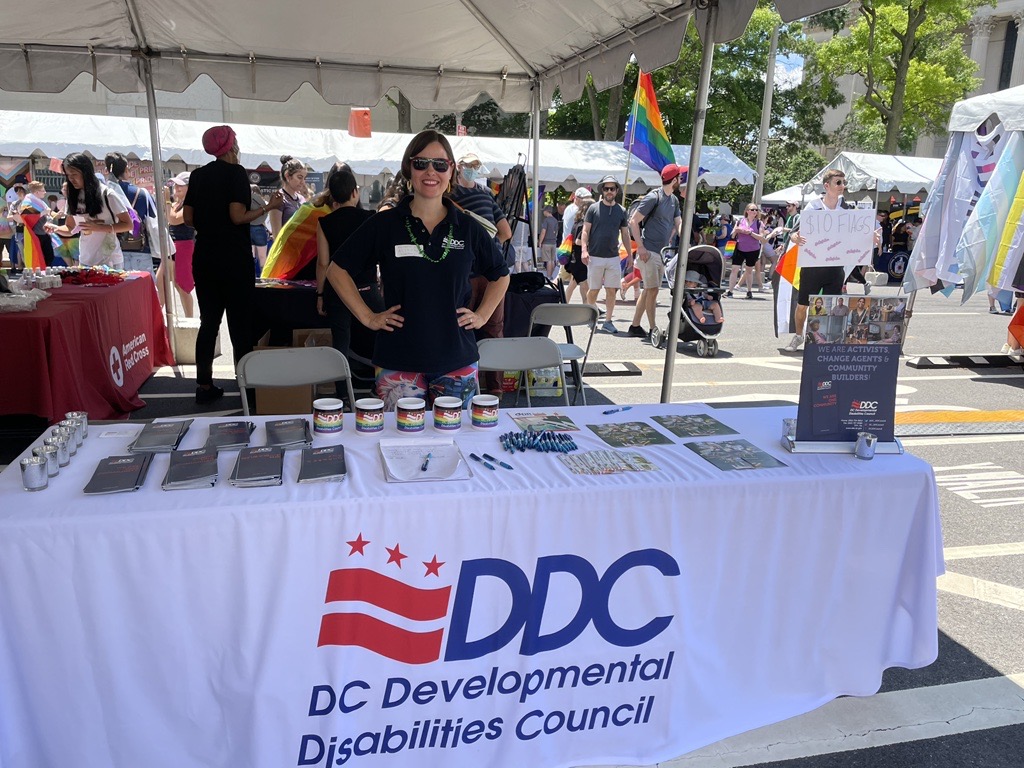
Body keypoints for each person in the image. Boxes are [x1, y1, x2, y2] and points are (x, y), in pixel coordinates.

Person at [325, 129, 510, 410]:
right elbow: (336, 270)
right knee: (399, 444)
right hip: (397, 361)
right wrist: (368, 317)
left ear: (451, 170)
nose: (430, 171)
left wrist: (483, 315)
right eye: (421, 163)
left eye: (440, 164)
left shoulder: (468, 227)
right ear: (408, 168)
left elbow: (501, 275)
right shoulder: (385, 224)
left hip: (456, 360)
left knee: (455, 443)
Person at [184, 125, 284, 405]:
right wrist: (268, 207)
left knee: (209, 323)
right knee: (241, 326)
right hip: (233, 258)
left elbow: (188, 217)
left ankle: (203, 385)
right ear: (230, 146)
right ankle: (248, 390)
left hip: (204, 256)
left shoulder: (199, 175)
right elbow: (238, 216)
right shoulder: (236, 174)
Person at [787, 170, 878, 352]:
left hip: (836, 266)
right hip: (812, 265)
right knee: (803, 305)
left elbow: (860, 233)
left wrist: (872, 237)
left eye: (844, 182)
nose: (842, 186)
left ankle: (826, 339)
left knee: (832, 305)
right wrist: (795, 237)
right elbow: (793, 233)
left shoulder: (848, 210)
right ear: (827, 186)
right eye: (838, 182)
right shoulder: (813, 208)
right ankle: (798, 336)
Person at [450, 152, 512, 396]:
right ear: (458, 166)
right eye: (468, 165)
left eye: (475, 166)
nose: (472, 169)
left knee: (465, 327)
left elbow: (504, 231)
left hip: (470, 272)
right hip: (488, 273)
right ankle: (493, 388)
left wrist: (480, 248)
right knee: (491, 329)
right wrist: (489, 248)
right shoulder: (479, 195)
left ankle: (466, 385)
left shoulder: (457, 195)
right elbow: (504, 232)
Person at [315, 167, 377, 398]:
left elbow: (323, 263)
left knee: (341, 340)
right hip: (367, 288)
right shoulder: (370, 218)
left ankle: (342, 392)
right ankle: (380, 384)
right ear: (355, 192)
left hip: (336, 292)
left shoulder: (325, 222)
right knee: (381, 334)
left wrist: (320, 294)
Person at [626, 163, 682, 339]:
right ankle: (653, 329)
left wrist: (685, 238)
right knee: (653, 290)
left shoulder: (673, 200)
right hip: (649, 251)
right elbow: (633, 221)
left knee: (649, 290)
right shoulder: (653, 197)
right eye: (679, 177)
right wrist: (641, 246)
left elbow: (678, 222)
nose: (681, 180)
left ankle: (635, 326)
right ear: (674, 180)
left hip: (662, 252)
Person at [55, 153, 132, 270]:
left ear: (85, 172)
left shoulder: (107, 194)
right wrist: (55, 229)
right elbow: (70, 228)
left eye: (74, 174)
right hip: (85, 260)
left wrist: (98, 228)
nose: (71, 179)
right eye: (68, 175)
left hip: (110, 261)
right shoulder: (73, 196)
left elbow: (128, 224)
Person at [582, 175, 632, 333]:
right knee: (594, 290)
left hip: (613, 257)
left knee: (612, 290)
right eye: (606, 188)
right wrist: (584, 249)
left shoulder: (622, 211)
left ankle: (608, 321)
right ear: (602, 190)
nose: (609, 191)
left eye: (612, 188)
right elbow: (585, 230)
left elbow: (625, 234)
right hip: (595, 256)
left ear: (617, 190)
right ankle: (591, 317)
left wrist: (630, 254)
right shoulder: (593, 208)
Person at [165, 172, 195, 318]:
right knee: (171, 282)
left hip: (184, 245)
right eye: (175, 185)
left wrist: (166, 201)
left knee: (183, 285)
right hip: (173, 245)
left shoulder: (192, 204)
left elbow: (174, 219)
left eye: (180, 185)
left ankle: (190, 319)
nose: (176, 188)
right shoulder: (177, 204)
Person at [726, 203, 767, 299]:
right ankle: (730, 291)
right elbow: (732, 235)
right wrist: (737, 230)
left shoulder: (759, 223)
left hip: (753, 250)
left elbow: (761, 237)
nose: (755, 212)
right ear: (747, 211)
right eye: (752, 209)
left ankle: (749, 291)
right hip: (739, 248)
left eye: (756, 210)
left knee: (749, 270)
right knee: (734, 269)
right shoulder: (740, 221)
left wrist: (750, 233)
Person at [563, 192, 593, 302]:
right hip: (580, 259)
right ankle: (590, 308)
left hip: (574, 257)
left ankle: (564, 304)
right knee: (585, 286)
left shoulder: (577, 221)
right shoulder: (583, 224)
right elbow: (578, 241)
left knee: (574, 284)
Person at [268, 155, 307, 238]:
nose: (303, 182)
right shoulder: (278, 199)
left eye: (304, 178)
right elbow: (277, 235)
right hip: (286, 248)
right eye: (300, 177)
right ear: (288, 176)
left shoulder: (301, 198)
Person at [249, 184, 270, 271]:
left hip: (249, 228)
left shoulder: (248, 202)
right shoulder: (263, 203)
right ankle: (264, 280)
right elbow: (266, 220)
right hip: (259, 229)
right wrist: (269, 231)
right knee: (262, 258)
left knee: (251, 258)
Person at [539, 206, 559, 279]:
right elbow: (556, 232)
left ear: (546, 211)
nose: (543, 212)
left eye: (543, 211)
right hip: (553, 242)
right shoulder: (555, 220)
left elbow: (543, 232)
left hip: (546, 242)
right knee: (552, 260)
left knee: (548, 260)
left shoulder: (546, 220)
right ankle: (552, 276)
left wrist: (540, 242)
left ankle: (548, 276)